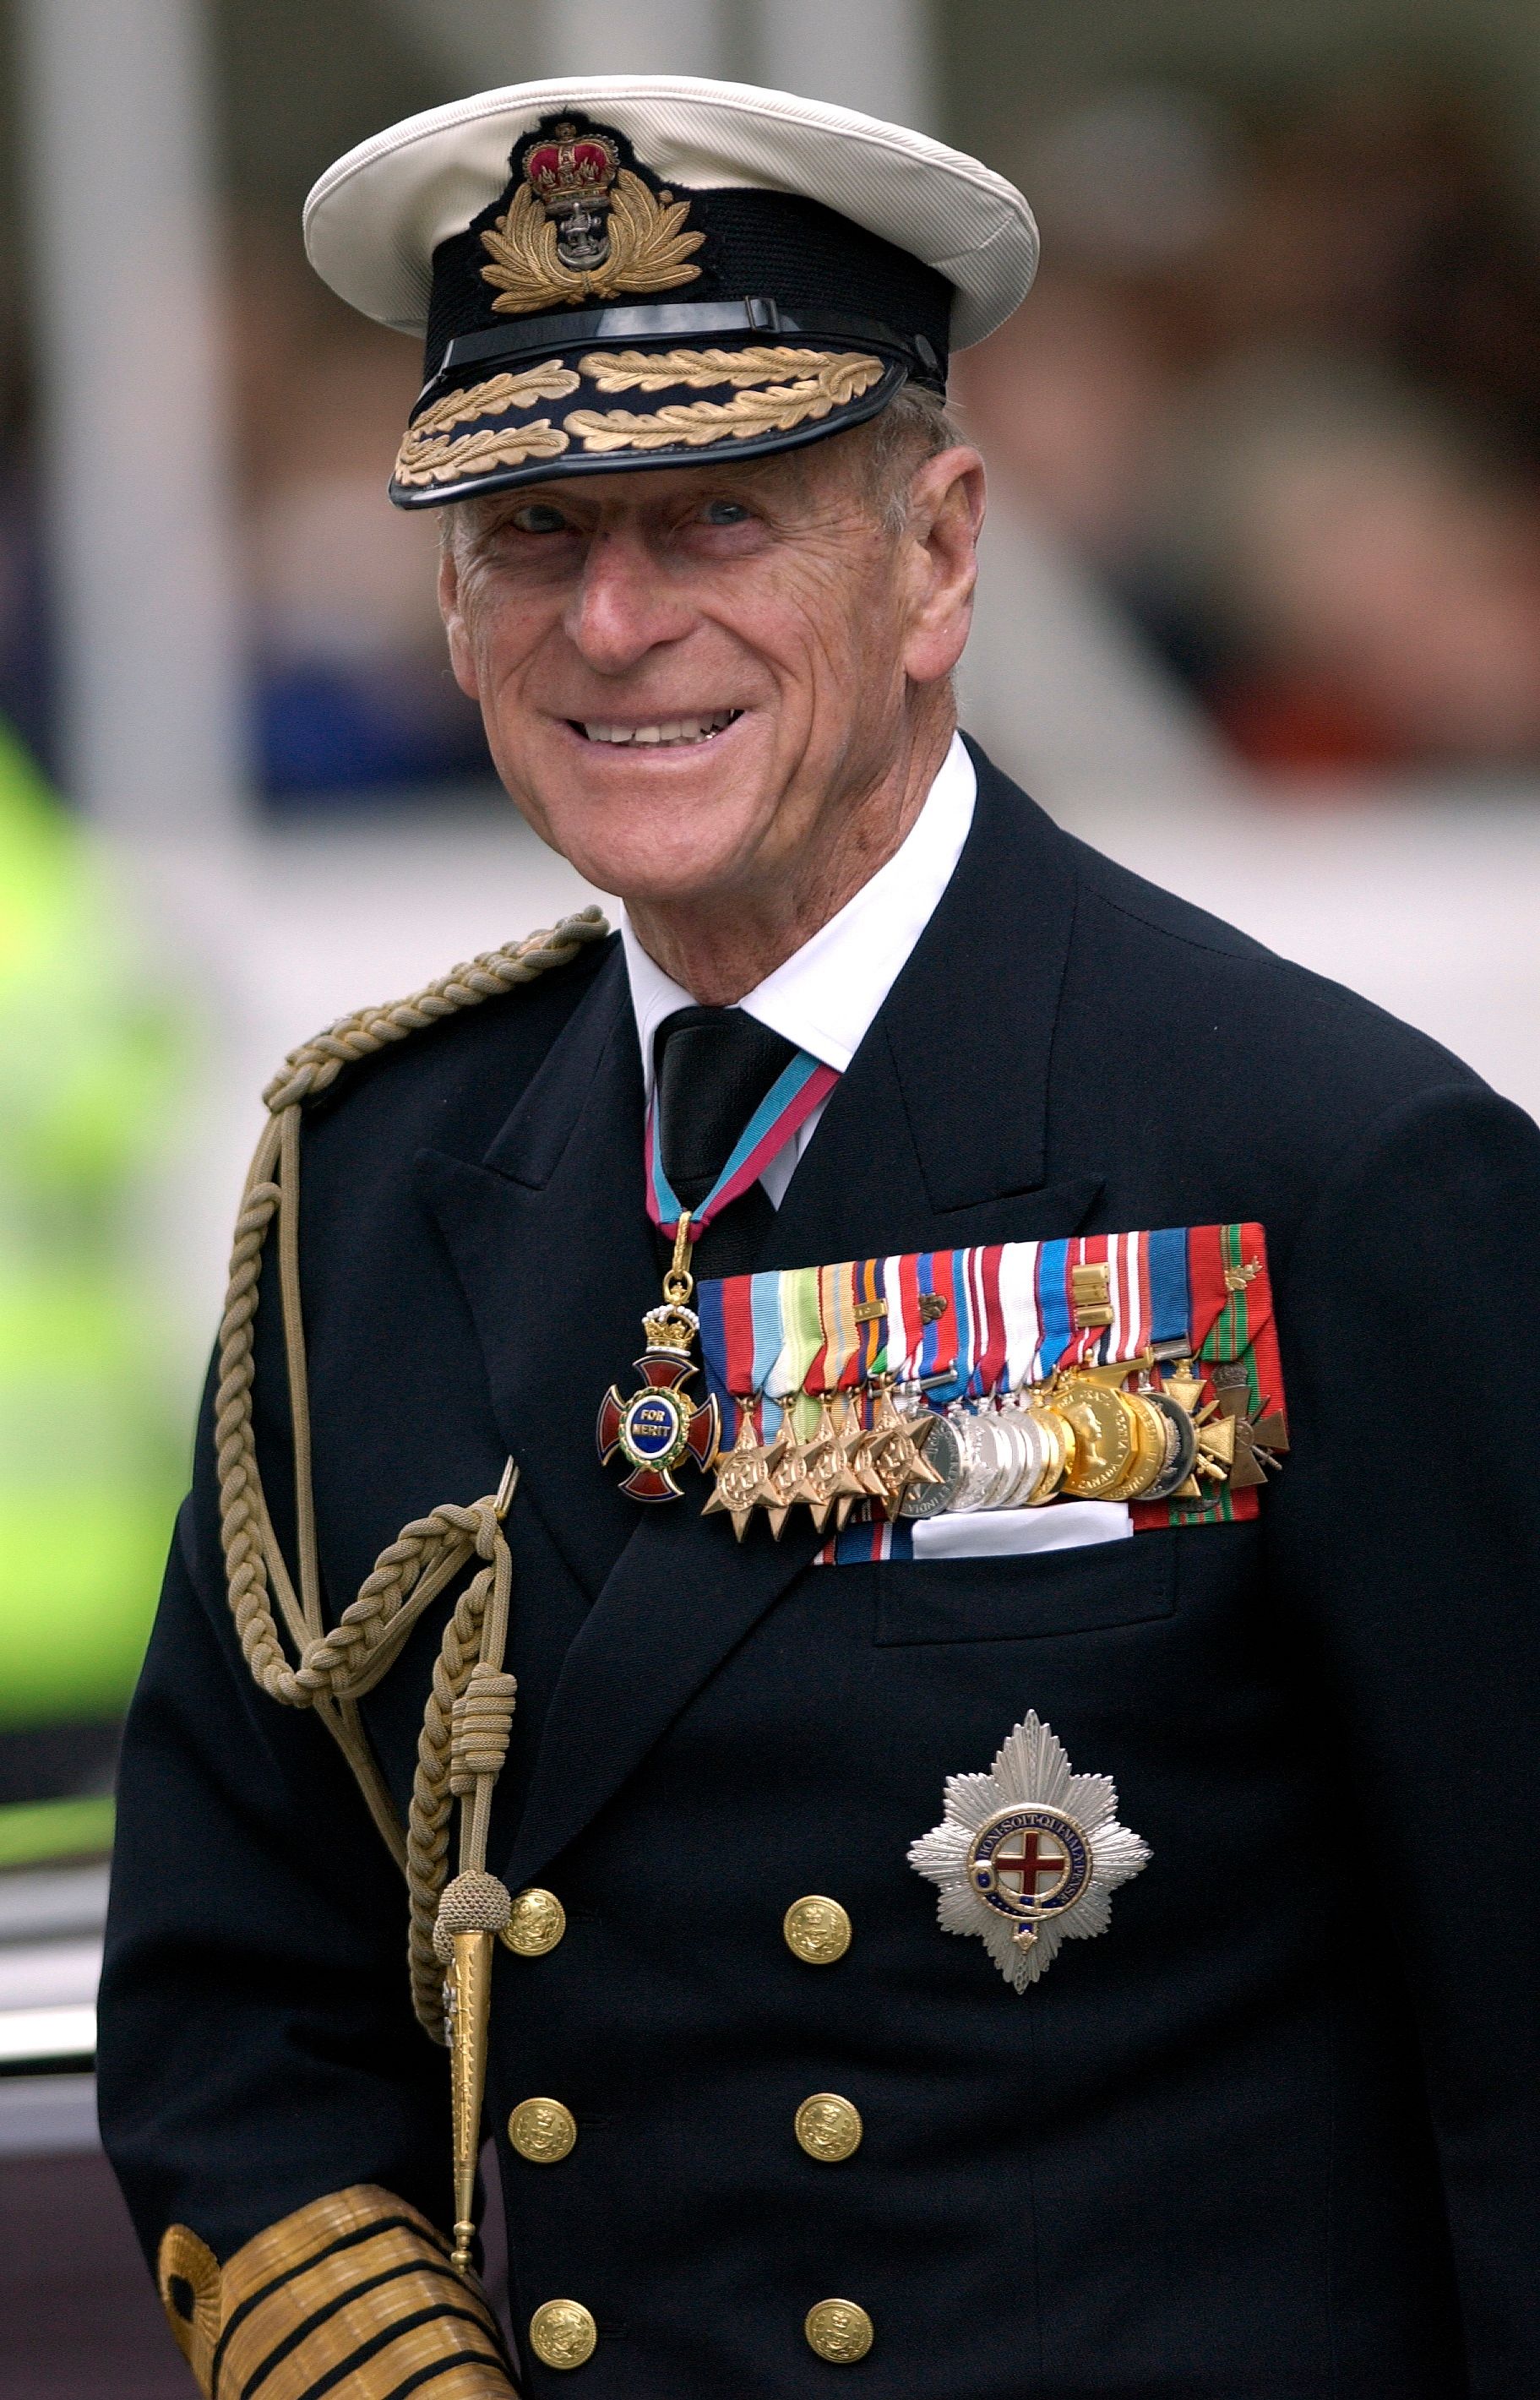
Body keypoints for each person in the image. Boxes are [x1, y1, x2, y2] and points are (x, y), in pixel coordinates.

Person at [97, 73, 1540, 2400]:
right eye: (535, 533)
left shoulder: (1331, 1163)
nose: (620, 619)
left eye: (718, 517)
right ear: (455, 608)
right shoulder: (368, 1186)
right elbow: (229, 1992)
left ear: (944, 553)